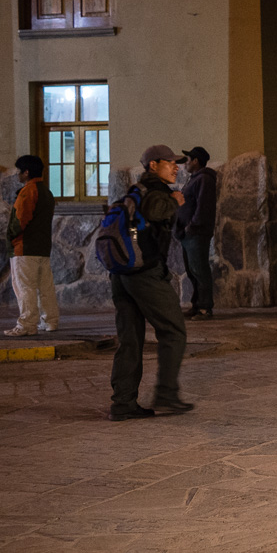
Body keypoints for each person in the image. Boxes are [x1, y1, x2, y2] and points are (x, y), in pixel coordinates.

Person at [109, 145, 194, 421]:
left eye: (177, 163)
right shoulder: (155, 191)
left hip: (122, 274)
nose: (176, 166)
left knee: (130, 340)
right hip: (144, 273)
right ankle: (167, 393)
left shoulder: (134, 192)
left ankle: (123, 403)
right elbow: (156, 211)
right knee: (173, 330)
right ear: (153, 165)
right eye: (170, 162)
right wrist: (176, 202)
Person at [4, 155, 59, 336]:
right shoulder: (46, 192)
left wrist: (10, 236)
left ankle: (27, 324)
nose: (18, 175)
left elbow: (19, 221)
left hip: (25, 247)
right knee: (46, 288)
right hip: (42, 248)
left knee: (24, 287)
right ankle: (50, 320)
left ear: (26, 172)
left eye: (20, 171)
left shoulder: (28, 192)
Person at [175, 146, 217, 320]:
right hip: (189, 233)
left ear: (196, 161)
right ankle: (197, 305)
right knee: (192, 270)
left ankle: (205, 308)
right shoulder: (195, 179)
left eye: (188, 160)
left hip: (196, 233)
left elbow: (203, 206)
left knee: (199, 270)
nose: (185, 164)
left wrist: (192, 226)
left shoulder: (204, 179)